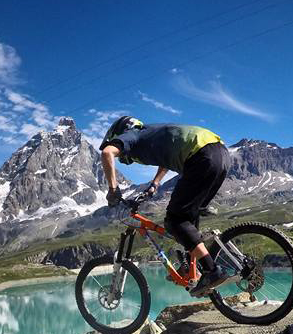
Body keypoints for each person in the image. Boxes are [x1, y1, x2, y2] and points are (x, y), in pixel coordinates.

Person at [99, 116, 231, 295]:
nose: (124, 157)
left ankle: (212, 270)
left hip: (201, 158)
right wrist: (155, 183)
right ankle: (191, 267)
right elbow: (164, 160)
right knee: (188, 221)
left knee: (174, 220)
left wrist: (113, 190)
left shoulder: (132, 135)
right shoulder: (151, 134)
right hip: (221, 155)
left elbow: (107, 153)